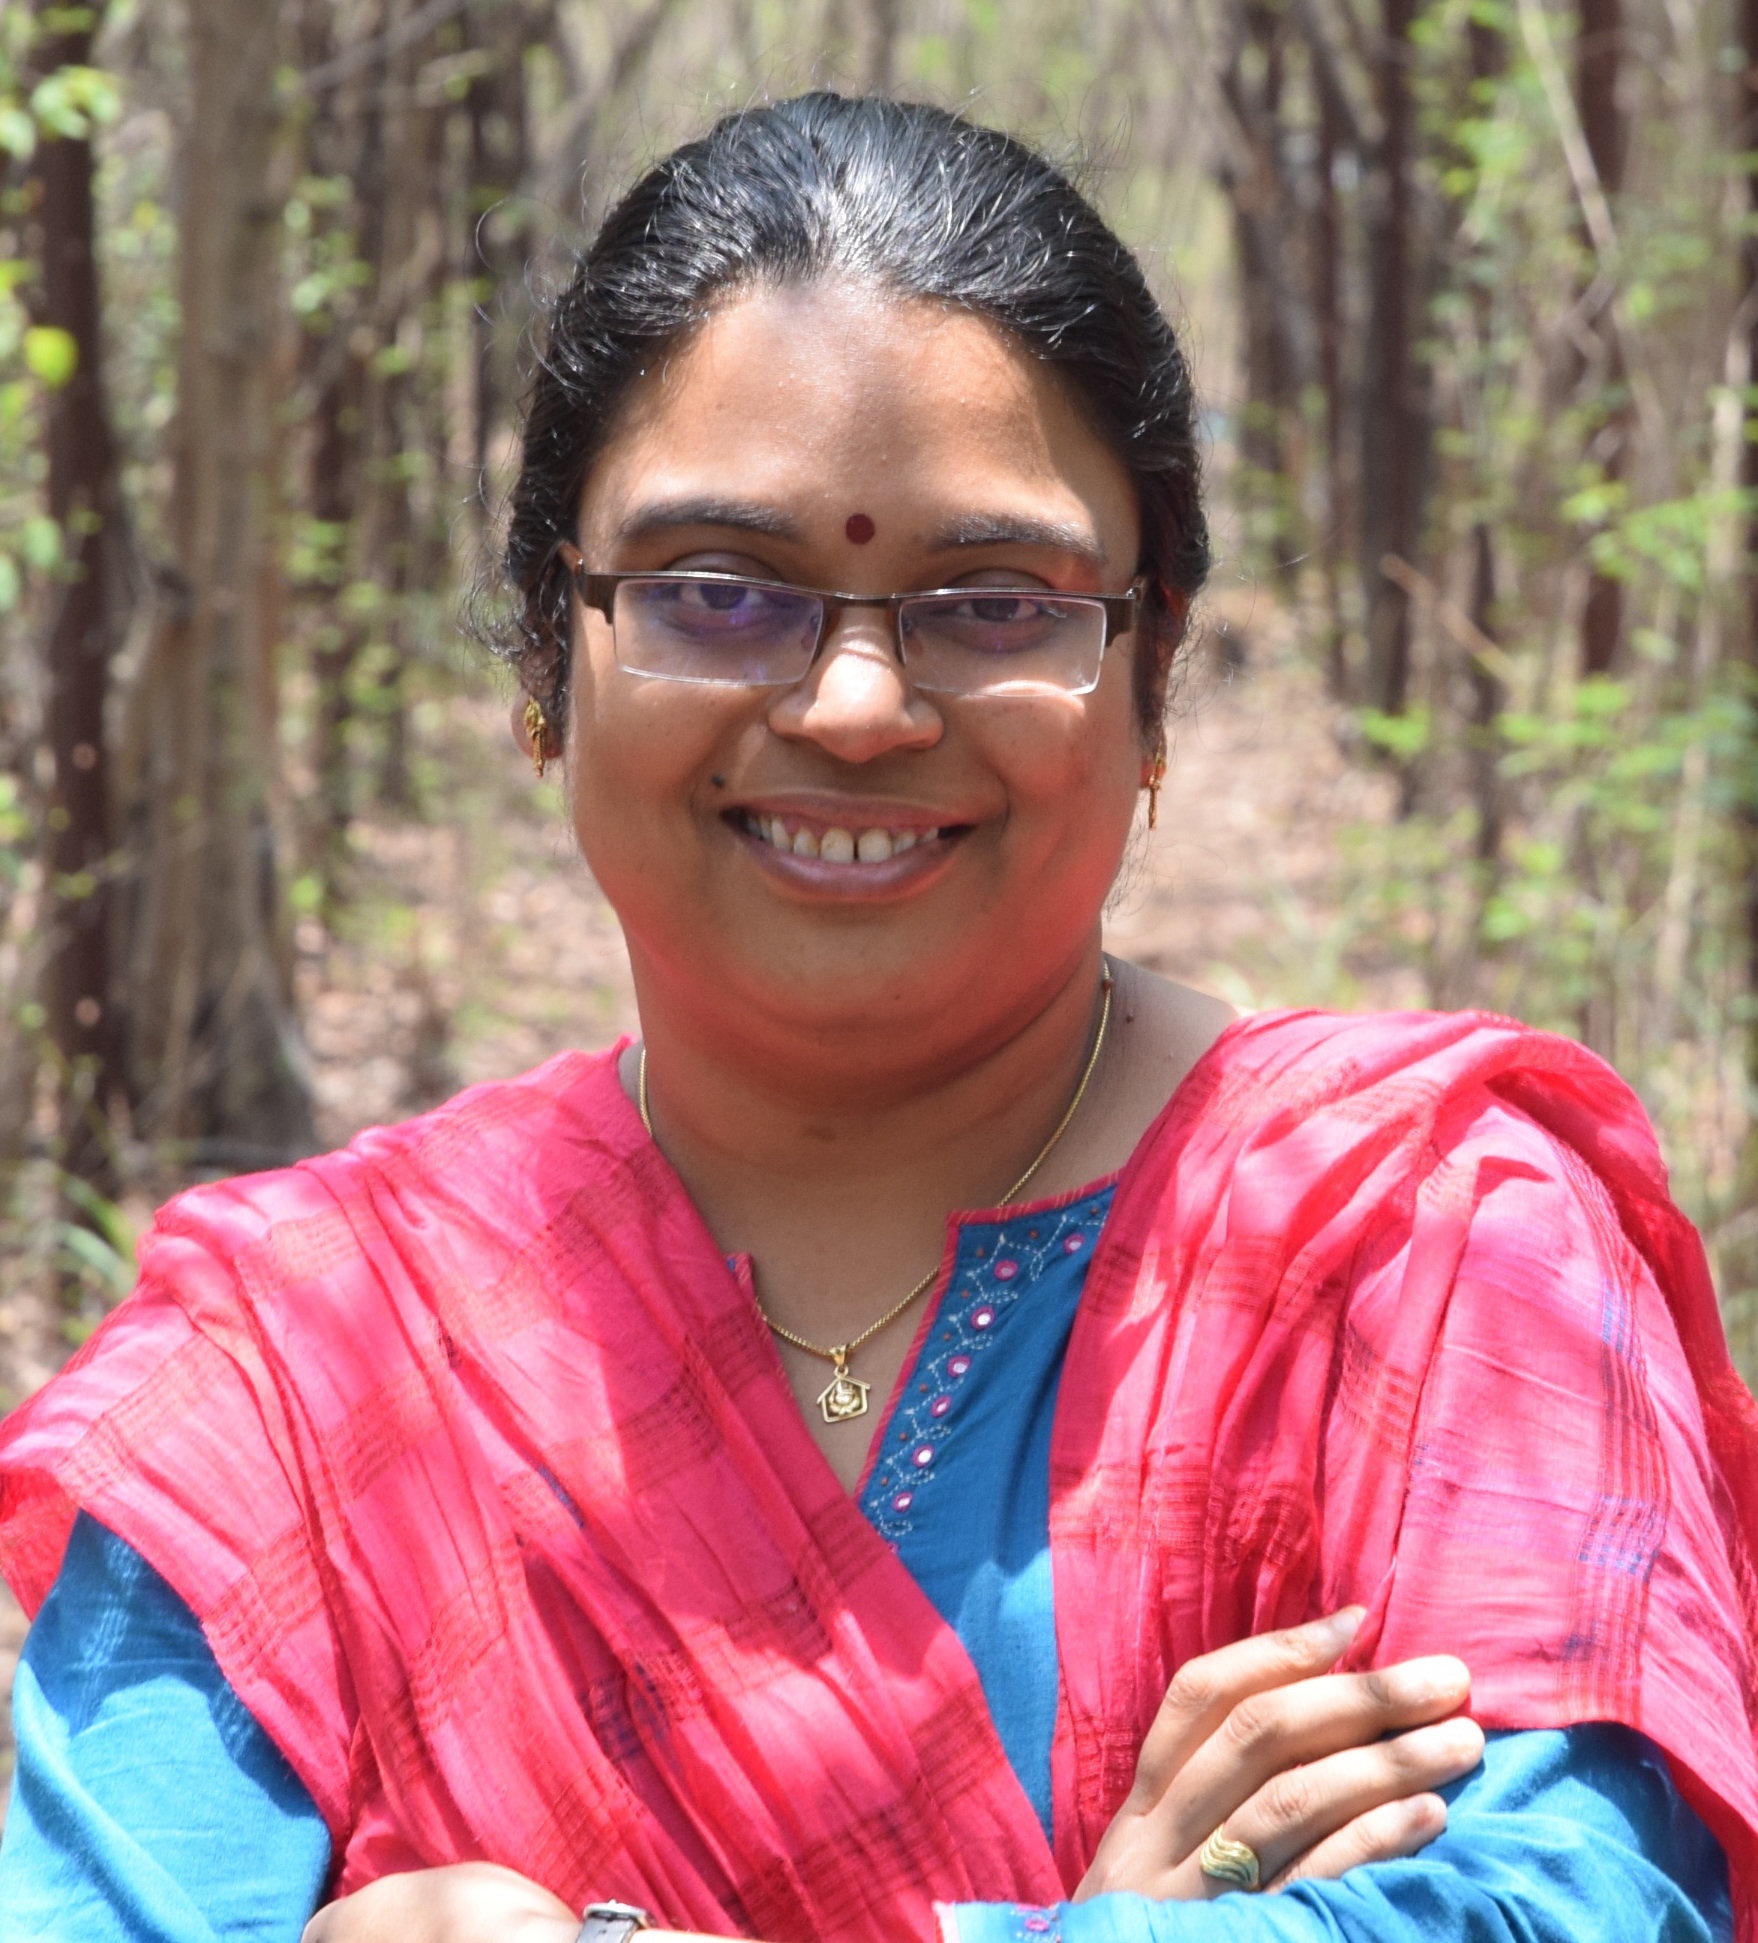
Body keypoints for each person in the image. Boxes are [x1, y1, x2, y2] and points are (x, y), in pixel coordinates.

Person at [0, 91, 1754, 1943]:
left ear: (1150, 676)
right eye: (715, 591)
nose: (853, 707)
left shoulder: (1424, 1245)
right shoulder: (310, 1371)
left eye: (989, 602)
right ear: (544, 662)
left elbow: (1575, 1907)